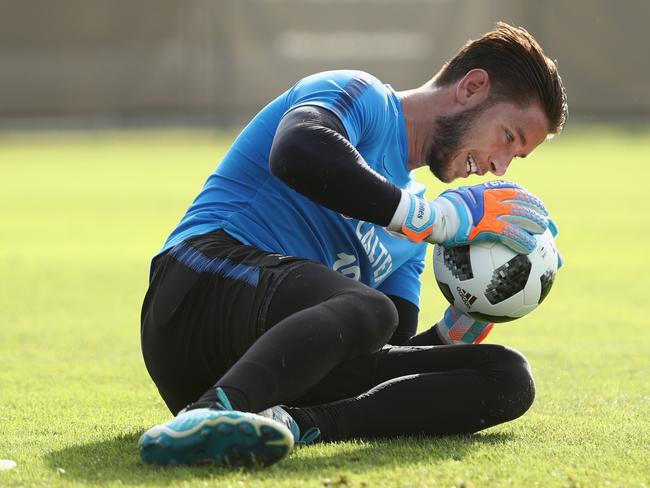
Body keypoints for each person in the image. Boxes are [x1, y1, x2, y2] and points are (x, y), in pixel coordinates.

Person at [138, 22, 567, 467]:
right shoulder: (361, 95)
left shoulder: (414, 228)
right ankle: (208, 415)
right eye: (508, 138)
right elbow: (297, 151)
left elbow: (374, 356)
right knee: (371, 308)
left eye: (514, 159)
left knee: (507, 374)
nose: (499, 167)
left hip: (265, 370)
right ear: (473, 88)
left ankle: (293, 424)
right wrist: (430, 221)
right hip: (194, 293)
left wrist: (463, 322)